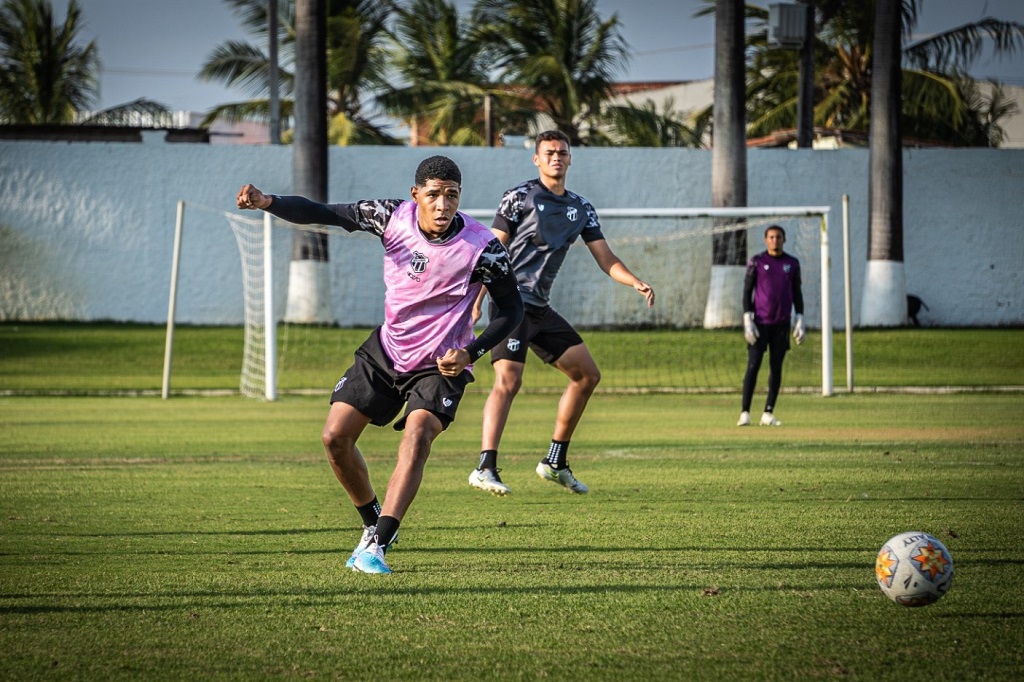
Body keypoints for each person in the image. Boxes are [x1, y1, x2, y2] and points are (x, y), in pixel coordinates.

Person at [236, 156, 523, 574]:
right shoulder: (390, 216)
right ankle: (373, 521)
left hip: (440, 364)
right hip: (387, 350)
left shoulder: (483, 247)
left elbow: (511, 310)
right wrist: (268, 201)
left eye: (452, 196)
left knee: (419, 434)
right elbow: (324, 213)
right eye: (434, 195)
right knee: (334, 438)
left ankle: (378, 546)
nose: (443, 205)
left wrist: (471, 352)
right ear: (415, 195)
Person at [468, 130, 655, 496]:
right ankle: (485, 467)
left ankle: (555, 461)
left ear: (570, 159)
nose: (557, 157)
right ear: (536, 159)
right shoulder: (518, 197)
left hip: (539, 307)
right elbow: (489, 250)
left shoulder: (581, 208)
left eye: (562, 153)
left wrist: (633, 281)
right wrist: (475, 303)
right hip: (510, 304)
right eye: (549, 152)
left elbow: (606, 257)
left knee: (587, 375)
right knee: (508, 382)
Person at [737, 224, 805, 427]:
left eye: (778, 237)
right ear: (766, 240)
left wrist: (800, 318)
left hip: (782, 324)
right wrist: (747, 320)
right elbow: (747, 291)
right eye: (771, 237)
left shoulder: (792, 264)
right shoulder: (757, 262)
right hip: (760, 324)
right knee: (753, 365)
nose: (775, 240)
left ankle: (768, 412)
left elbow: (797, 292)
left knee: (776, 368)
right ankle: (745, 412)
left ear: (784, 239)